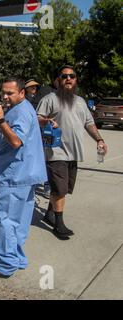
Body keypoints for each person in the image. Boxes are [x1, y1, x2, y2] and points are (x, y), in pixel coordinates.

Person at [37, 65, 109, 240]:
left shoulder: (80, 101)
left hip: (74, 153)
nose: (68, 78)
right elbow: (37, 118)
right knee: (60, 189)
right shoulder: (50, 98)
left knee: (63, 189)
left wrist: (99, 139)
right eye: (64, 76)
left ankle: (49, 213)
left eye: (72, 76)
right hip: (55, 151)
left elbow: (89, 123)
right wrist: (47, 121)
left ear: (76, 80)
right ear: (59, 80)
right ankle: (59, 225)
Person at [0, 77, 47, 278]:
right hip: (25, 173)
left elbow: (16, 141)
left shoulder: (19, 112)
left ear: (22, 93)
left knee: (2, 218)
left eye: (10, 93)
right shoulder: (25, 108)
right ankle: (17, 257)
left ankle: (6, 264)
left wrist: (1, 119)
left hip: (14, 174)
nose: (4, 96)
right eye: (3, 92)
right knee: (19, 220)